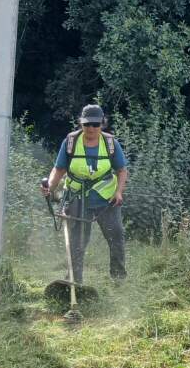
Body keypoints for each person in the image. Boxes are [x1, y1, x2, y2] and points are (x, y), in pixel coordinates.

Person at [40, 104, 128, 285]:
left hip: (106, 199)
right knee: (77, 242)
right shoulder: (70, 142)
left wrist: (119, 192)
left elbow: (121, 170)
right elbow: (59, 169)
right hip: (77, 198)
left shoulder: (111, 143)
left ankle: (119, 279)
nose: (91, 128)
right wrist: (50, 186)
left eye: (96, 125)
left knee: (116, 236)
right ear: (81, 123)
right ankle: (75, 281)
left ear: (102, 124)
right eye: (87, 124)